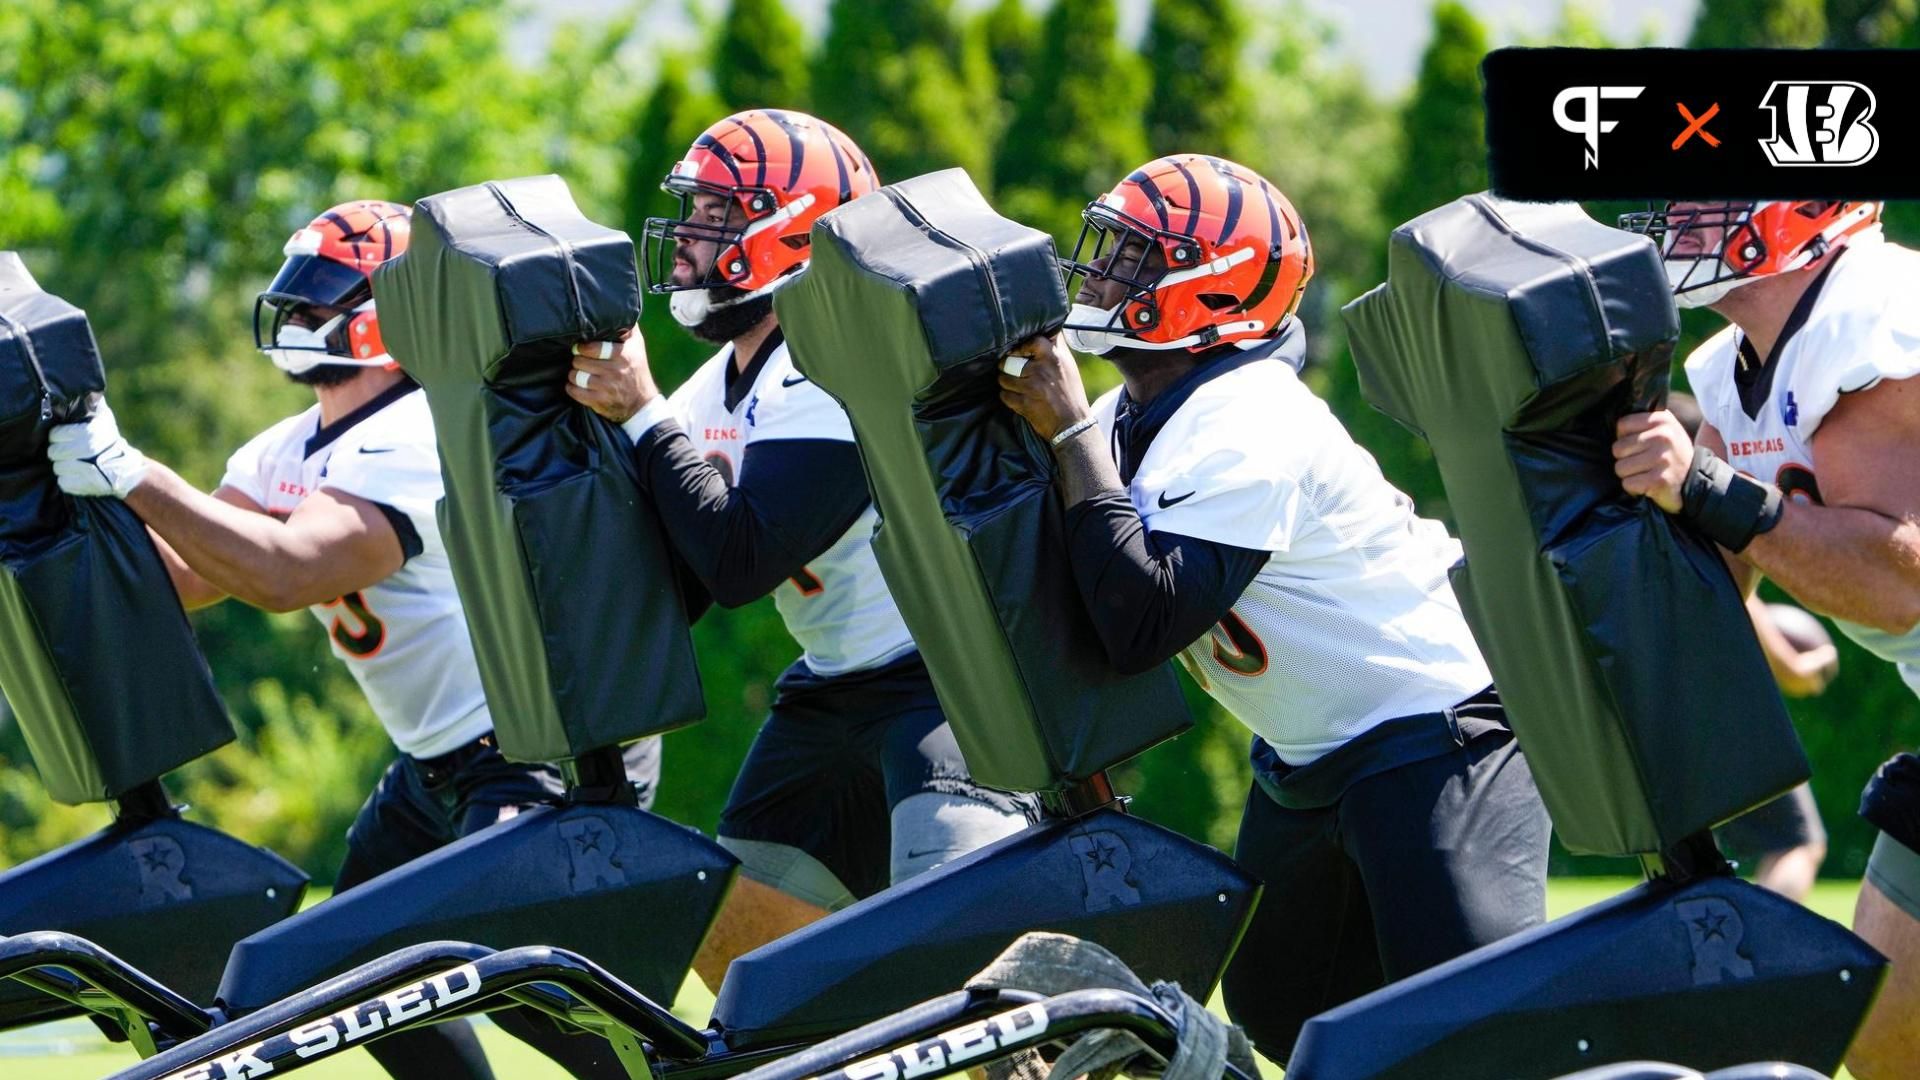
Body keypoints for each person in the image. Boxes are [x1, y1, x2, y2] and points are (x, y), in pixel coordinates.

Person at [46, 200, 653, 1080]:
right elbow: (182, 580)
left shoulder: (422, 428)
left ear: (392, 315)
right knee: (348, 976)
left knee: (544, 990)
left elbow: (289, 572)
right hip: (437, 763)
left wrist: (135, 472)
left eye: (319, 295)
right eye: (295, 293)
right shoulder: (287, 447)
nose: (295, 316)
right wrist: (58, 496)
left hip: (539, 748)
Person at [996, 153, 1551, 1061]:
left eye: (1134, 258)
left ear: (1212, 291)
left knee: (1474, 1038)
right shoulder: (1136, 413)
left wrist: (1065, 435)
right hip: (1306, 759)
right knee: (1283, 1021)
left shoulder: (1251, 415)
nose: (1099, 274)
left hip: (1435, 738)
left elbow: (1142, 620)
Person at [561, 109, 1038, 995]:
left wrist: (640, 416)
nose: (692, 236)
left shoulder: (840, 361)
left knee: (956, 946)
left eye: (715, 213)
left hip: (947, 676)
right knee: (731, 931)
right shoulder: (721, 381)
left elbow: (742, 562)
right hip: (833, 683)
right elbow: (687, 582)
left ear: (788, 230)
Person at [1613, 199, 1920, 1078]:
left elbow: (1898, 584)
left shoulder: (1879, 314)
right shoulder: (1725, 370)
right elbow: (1710, 602)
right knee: (1889, 1038)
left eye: (1706, 205)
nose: (1674, 226)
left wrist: (1707, 485)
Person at [1669, 392, 1835, 901]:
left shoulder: (1640, 530)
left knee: (1680, 862)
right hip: (1723, 708)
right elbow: (1786, 666)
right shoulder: (1709, 531)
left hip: (1659, 706)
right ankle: (1763, 958)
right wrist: (1815, 663)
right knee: (1798, 845)